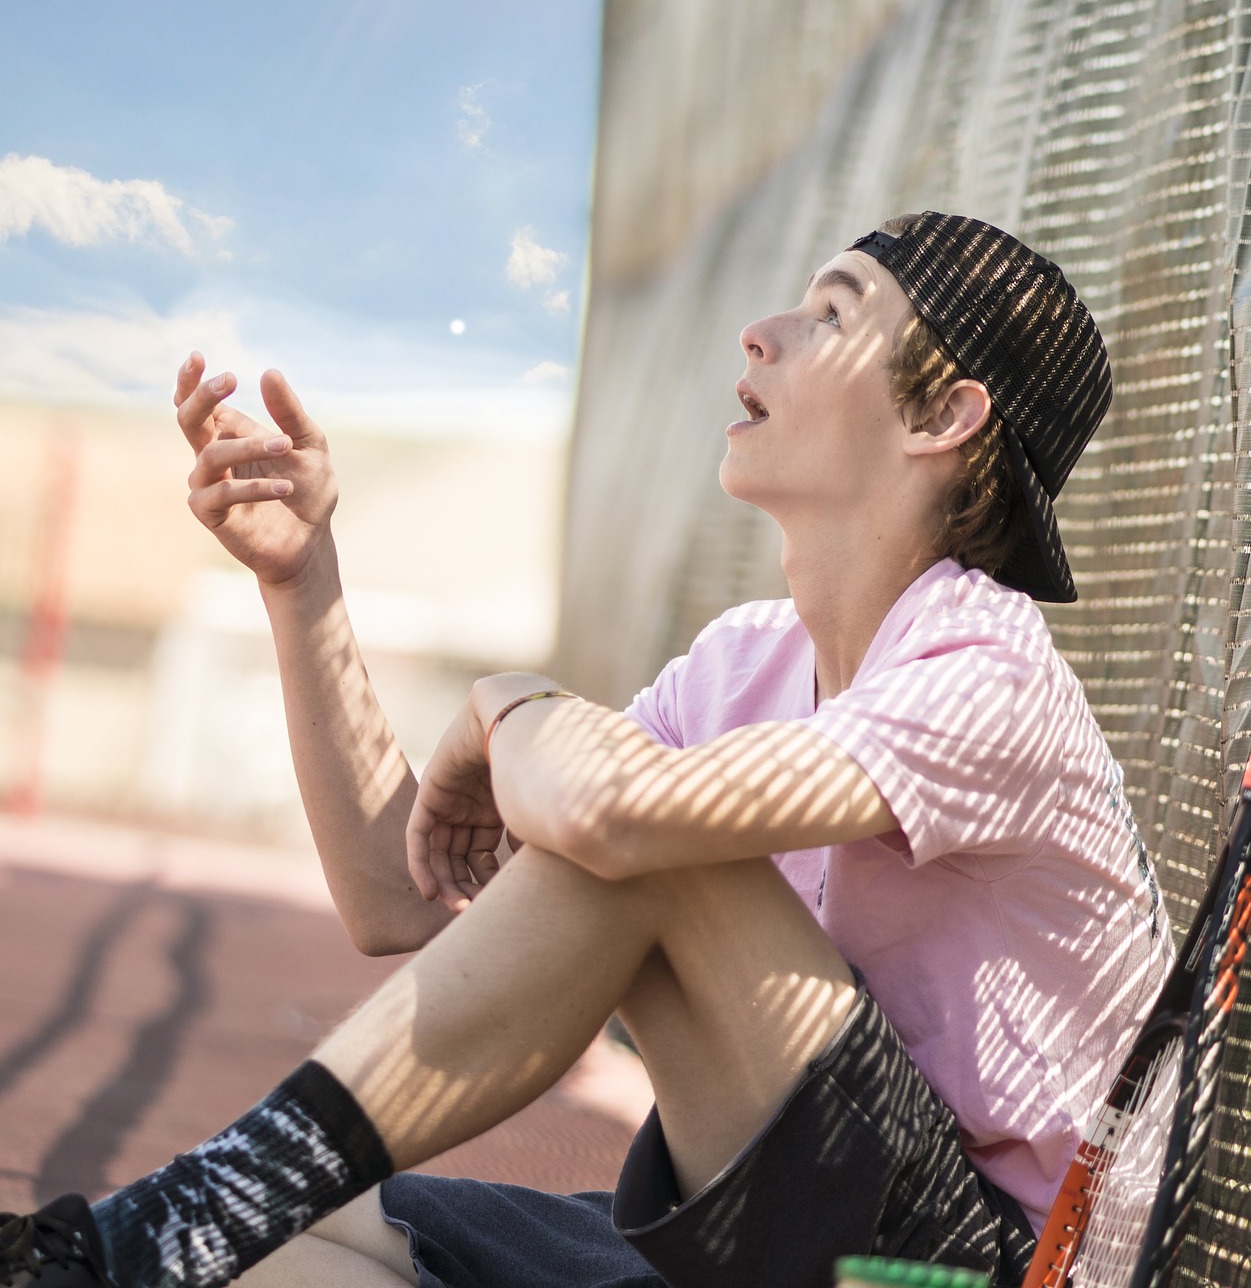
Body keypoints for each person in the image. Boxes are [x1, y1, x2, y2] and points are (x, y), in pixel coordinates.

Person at [0, 213, 1174, 1288]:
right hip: (778, 1229)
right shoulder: (746, 662)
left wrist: (510, 703)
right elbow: (402, 900)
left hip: (980, 1268)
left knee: (655, 847)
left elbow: (616, 820)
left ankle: (126, 1243)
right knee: (308, 1240)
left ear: (940, 417)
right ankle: (152, 1243)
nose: (760, 332)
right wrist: (304, 583)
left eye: (830, 314)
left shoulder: (988, 669)